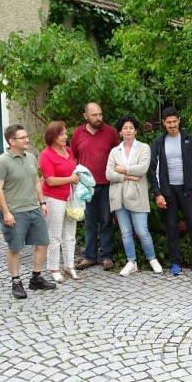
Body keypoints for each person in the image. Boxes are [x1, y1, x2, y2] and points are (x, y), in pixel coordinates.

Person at [0, 124, 56, 299]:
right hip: (15, 212)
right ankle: (16, 281)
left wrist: (42, 202)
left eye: (27, 136)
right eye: (23, 137)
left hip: (34, 208)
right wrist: (6, 212)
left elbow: (36, 182)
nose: (27, 140)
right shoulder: (1, 162)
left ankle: (36, 278)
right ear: (12, 141)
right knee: (15, 248)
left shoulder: (31, 158)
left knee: (43, 243)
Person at [149, 106, 192, 276]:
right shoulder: (159, 143)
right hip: (168, 191)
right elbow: (153, 170)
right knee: (171, 227)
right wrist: (158, 194)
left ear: (179, 120)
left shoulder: (189, 140)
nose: (172, 125)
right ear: (164, 123)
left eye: (174, 121)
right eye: (168, 122)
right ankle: (175, 262)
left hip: (188, 190)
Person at [106, 115, 163, 276]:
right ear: (120, 132)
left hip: (137, 196)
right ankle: (131, 262)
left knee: (142, 231)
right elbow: (108, 174)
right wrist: (128, 176)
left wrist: (122, 169)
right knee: (125, 232)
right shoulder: (114, 151)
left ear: (136, 131)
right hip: (118, 196)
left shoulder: (143, 148)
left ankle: (152, 259)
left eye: (131, 128)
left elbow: (142, 169)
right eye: (125, 128)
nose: (128, 130)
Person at [71, 102, 119, 271]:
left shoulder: (111, 132)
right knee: (90, 222)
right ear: (85, 116)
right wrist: (75, 174)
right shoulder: (78, 133)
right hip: (86, 187)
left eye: (100, 114)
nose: (99, 118)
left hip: (107, 184)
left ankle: (106, 256)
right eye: (94, 115)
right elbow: (73, 156)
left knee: (106, 221)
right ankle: (90, 256)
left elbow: (118, 156)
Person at [39, 121, 80, 283]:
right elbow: (49, 180)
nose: (65, 136)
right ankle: (54, 268)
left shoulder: (68, 151)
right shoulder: (46, 155)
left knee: (70, 233)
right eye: (62, 134)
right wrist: (71, 179)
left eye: (65, 133)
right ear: (53, 136)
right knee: (54, 235)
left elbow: (75, 170)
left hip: (70, 197)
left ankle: (69, 265)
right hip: (54, 198)